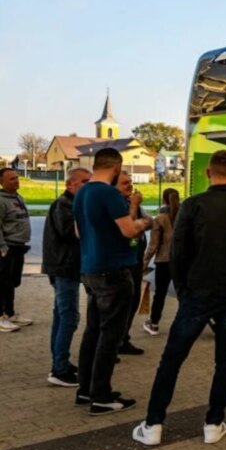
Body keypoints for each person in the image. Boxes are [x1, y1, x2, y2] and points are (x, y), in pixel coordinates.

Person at [133, 150, 226, 446]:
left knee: (172, 359)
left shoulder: (192, 205)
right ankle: (213, 423)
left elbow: (178, 252)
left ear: (208, 173)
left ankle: (153, 424)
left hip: (197, 292)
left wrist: (183, 290)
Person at [74, 148, 153, 415]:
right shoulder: (109, 194)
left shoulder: (82, 192)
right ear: (116, 167)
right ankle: (102, 396)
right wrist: (145, 223)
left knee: (92, 332)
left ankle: (85, 389)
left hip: (90, 270)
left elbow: (78, 232)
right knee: (111, 335)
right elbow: (129, 230)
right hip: (114, 271)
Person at [42, 167, 92, 386]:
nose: (88, 186)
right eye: (84, 182)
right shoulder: (64, 205)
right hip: (64, 268)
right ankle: (59, 369)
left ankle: (60, 362)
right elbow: (70, 232)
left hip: (66, 267)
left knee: (62, 317)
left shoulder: (72, 204)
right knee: (69, 317)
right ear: (70, 184)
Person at [117, 171, 151, 356]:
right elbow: (128, 229)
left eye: (130, 182)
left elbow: (150, 222)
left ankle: (123, 338)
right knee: (122, 303)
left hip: (136, 258)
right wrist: (135, 207)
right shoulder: (117, 204)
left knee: (133, 300)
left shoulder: (130, 202)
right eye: (125, 183)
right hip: (123, 262)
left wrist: (142, 220)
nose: (130, 186)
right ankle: (113, 344)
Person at [142, 188, 180, 336]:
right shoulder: (184, 217)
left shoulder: (160, 219)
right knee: (184, 293)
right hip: (182, 261)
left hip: (164, 261)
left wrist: (144, 263)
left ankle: (154, 323)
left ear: (164, 200)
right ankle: (186, 323)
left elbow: (153, 245)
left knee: (160, 294)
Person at [0, 167, 32, 333]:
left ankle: (10, 313)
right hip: (7, 248)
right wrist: (2, 247)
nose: (16, 181)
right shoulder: (1, 200)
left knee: (12, 282)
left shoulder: (18, 197)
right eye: (12, 179)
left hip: (18, 247)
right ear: (2, 182)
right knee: (2, 282)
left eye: (16, 177)